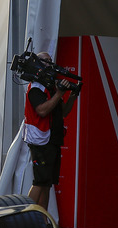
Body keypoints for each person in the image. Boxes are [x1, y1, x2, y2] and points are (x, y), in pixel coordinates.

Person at [23, 52, 79, 210]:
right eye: (45, 61)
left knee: (46, 184)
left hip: (51, 139)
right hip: (41, 140)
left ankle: (43, 220)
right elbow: (42, 110)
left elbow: (63, 112)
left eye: (50, 60)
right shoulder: (36, 87)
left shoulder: (50, 86)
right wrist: (60, 93)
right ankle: (25, 217)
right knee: (40, 182)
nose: (50, 64)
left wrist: (73, 95)